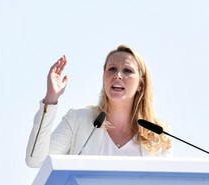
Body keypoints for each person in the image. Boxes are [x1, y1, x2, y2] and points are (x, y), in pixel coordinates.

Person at [26, 45, 172, 168]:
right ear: (104, 77)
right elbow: (36, 160)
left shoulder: (157, 135)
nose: (118, 75)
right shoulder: (78, 120)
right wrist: (50, 99)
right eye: (112, 69)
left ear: (140, 84)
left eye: (127, 70)